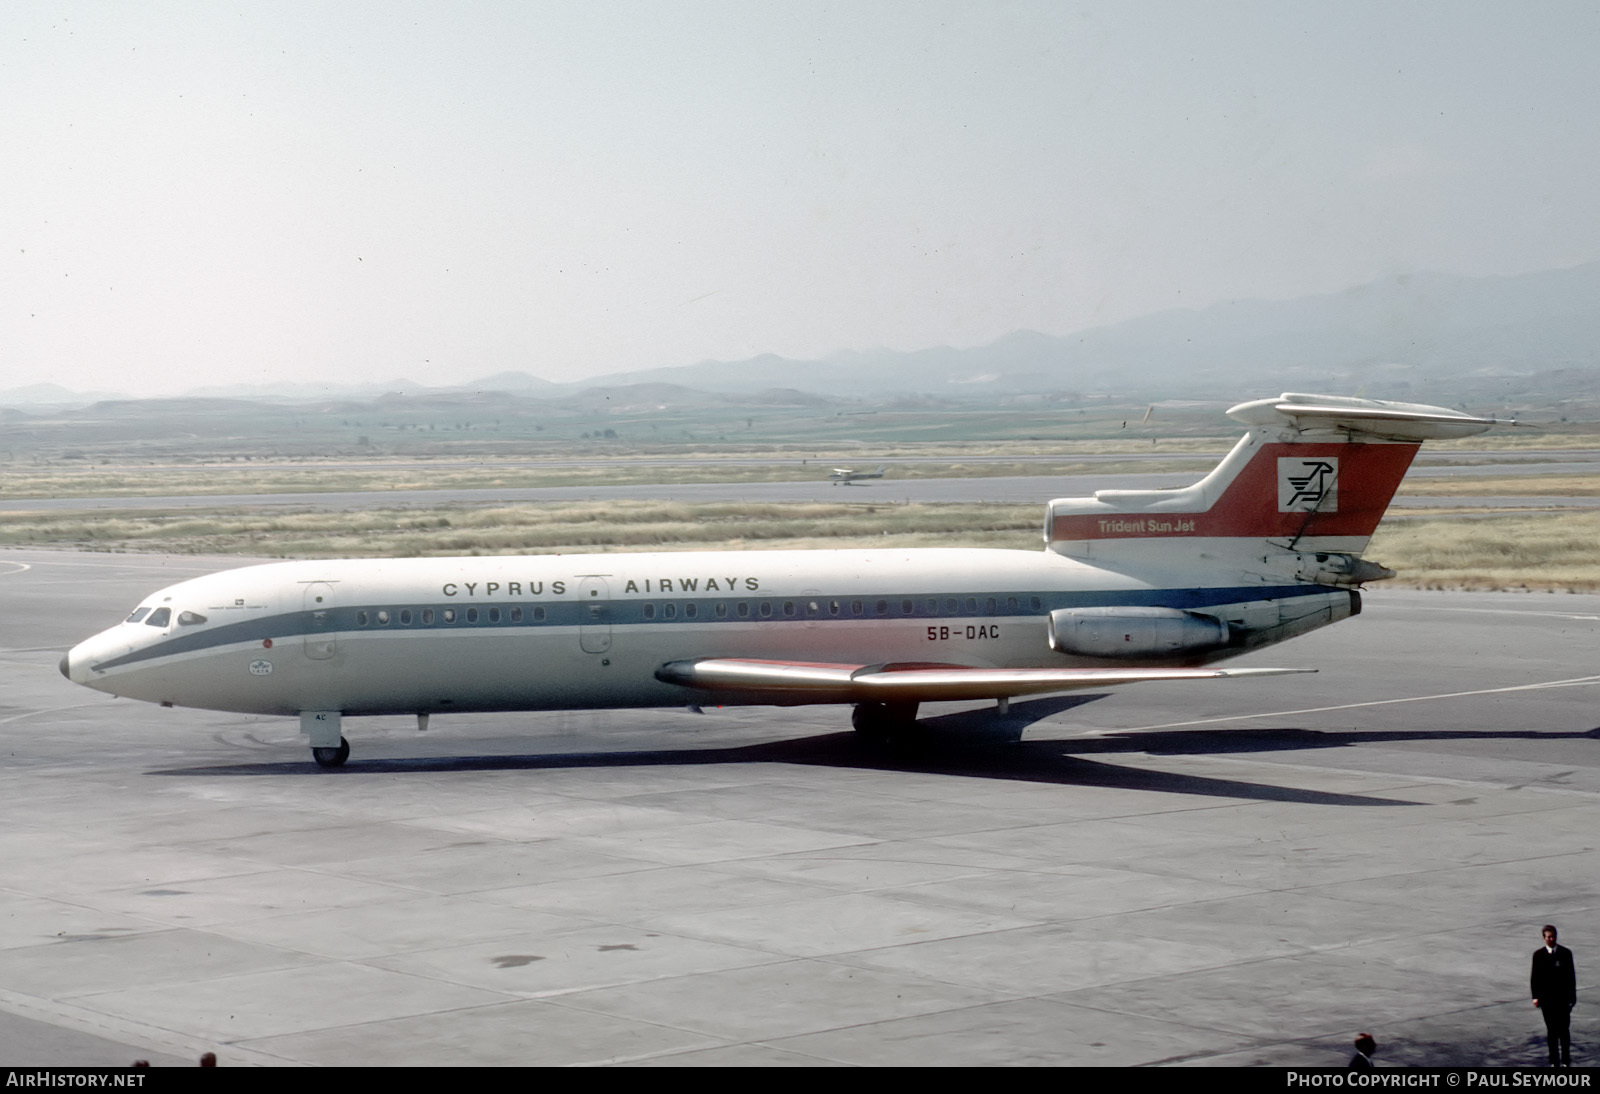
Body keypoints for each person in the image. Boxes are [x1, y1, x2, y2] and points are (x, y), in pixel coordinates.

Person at [1531, 924, 1577, 1066]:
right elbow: (1535, 977)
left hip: (1562, 1000)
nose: (1551, 939)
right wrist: (1535, 996)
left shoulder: (1565, 953)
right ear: (1543, 938)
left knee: (1564, 1031)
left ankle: (1566, 1061)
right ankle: (1554, 1062)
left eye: (1553, 936)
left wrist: (1572, 999)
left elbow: (1571, 977)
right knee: (1551, 1031)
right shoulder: (1538, 955)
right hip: (1547, 1001)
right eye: (1548, 937)